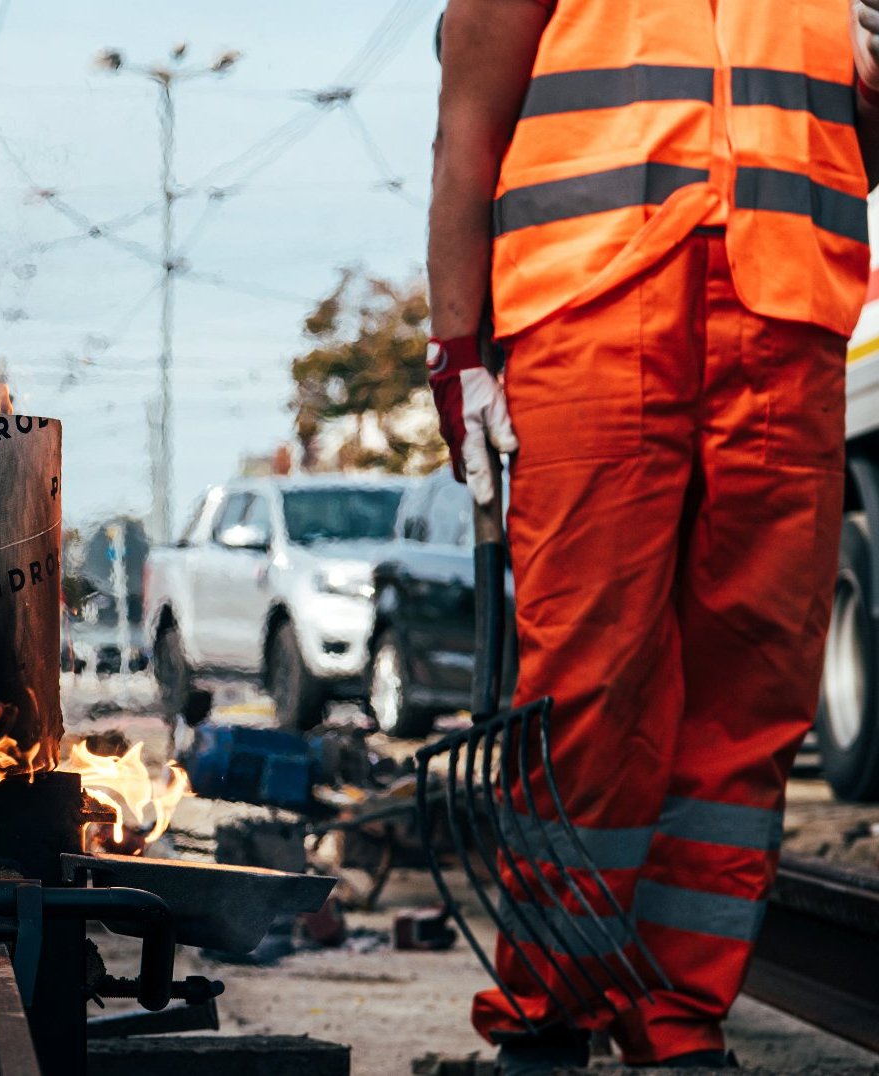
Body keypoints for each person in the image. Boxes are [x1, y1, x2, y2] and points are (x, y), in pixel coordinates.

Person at [430, 2, 877, 1070]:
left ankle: (679, 1019)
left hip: (784, 318)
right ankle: (550, 1008)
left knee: (753, 691)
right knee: (587, 683)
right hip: (591, 306)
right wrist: (458, 341)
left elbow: (856, 151)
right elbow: (465, 123)